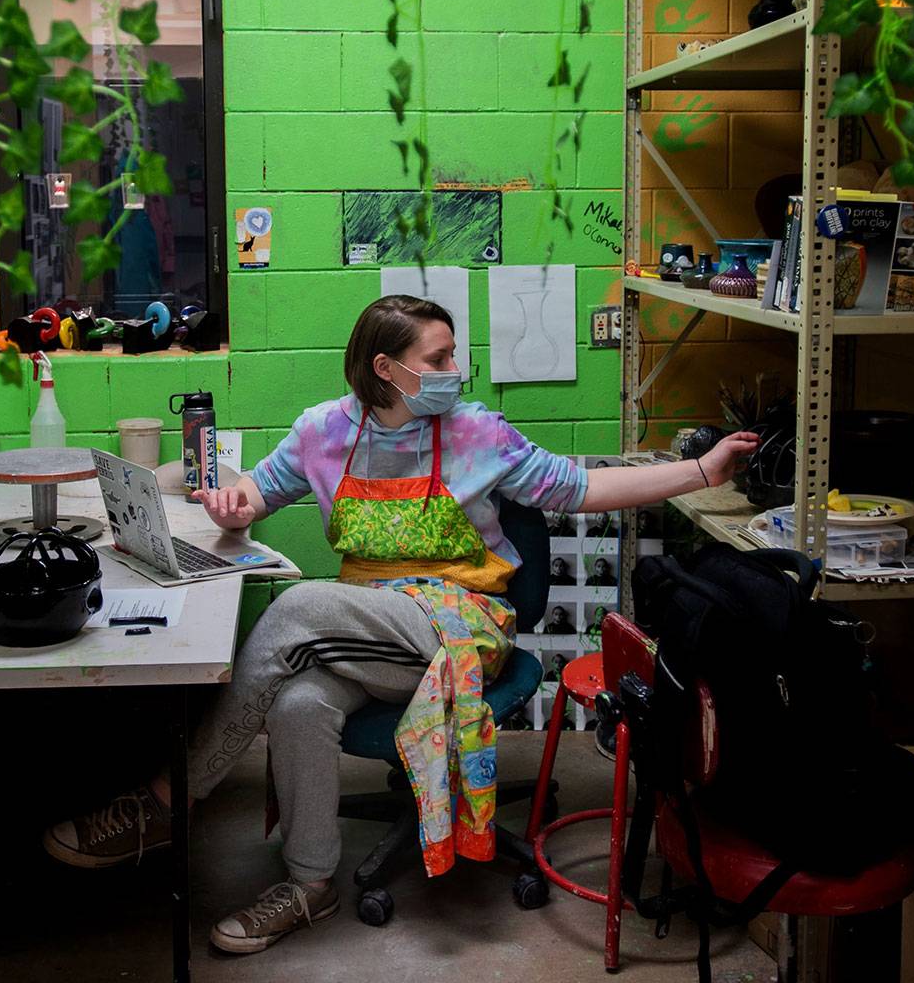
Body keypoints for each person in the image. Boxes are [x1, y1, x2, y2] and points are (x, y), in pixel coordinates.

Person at [42, 295, 758, 955]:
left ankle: (165, 803)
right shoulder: (323, 432)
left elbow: (587, 487)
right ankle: (309, 886)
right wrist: (237, 506)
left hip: (460, 623)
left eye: (454, 356)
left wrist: (702, 470)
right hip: (368, 630)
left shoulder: (479, 432)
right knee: (299, 702)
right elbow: (259, 489)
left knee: (295, 608)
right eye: (439, 359)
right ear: (387, 369)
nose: (457, 369)